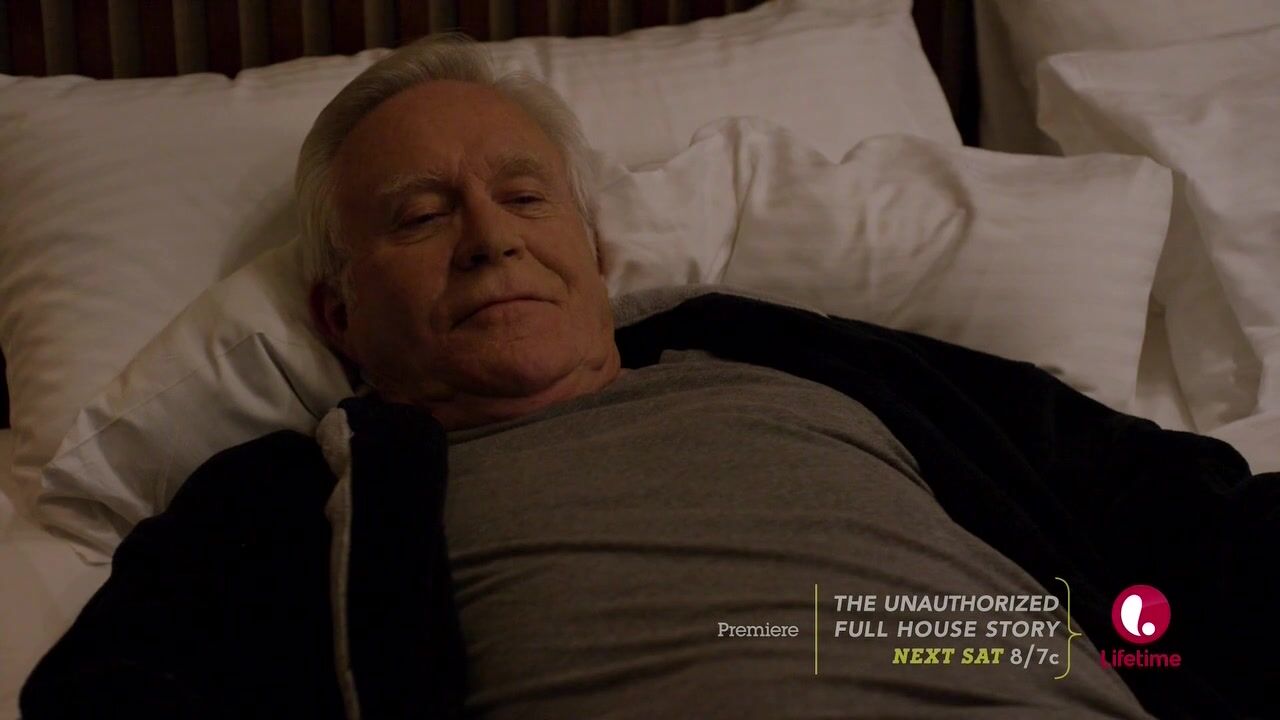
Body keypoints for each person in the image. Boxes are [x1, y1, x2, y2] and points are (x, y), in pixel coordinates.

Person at [21, 35, 1273, 720]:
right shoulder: (280, 504)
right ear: (336, 314)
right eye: (420, 214)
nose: (490, 237)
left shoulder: (809, 361)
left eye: (524, 197)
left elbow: (1174, 508)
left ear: (596, 248)